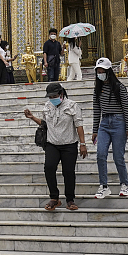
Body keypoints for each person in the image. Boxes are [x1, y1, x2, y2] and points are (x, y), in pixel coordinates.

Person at [24, 82, 87, 211]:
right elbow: (45, 123)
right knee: (49, 167)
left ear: (61, 94)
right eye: (50, 96)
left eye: (54, 96)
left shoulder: (72, 106)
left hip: (69, 144)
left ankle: (70, 199)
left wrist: (83, 144)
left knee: (68, 172)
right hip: (52, 143)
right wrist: (32, 117)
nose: (52, 99)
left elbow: (79, 126)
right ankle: (54, 197)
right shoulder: (47, 106)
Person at [92, 57, 128, 198]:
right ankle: (103, 186)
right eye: (98, 71)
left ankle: (124, 184)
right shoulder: (98, 89)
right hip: (104, 123)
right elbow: (96, 110)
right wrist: (94, 130)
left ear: (109, 71)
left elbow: (126, 108)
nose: (100, 73)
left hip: (118, 121)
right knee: (100, 154)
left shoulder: (119, 87)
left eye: (102, 71)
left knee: (118, 156)